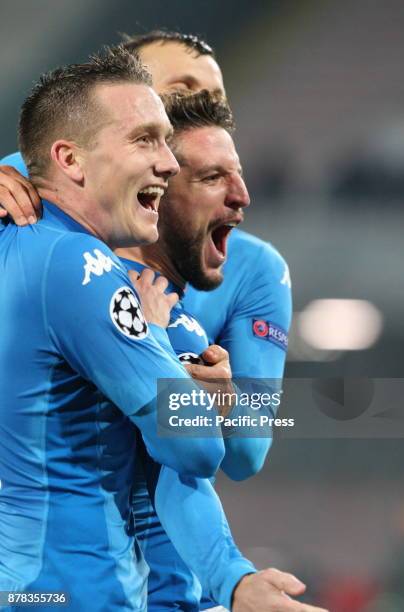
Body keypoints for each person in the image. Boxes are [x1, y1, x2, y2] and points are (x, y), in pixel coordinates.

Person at [0, 48, 327, 612]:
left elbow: (244, 449)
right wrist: (162, 345)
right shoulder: (91, 271)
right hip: (85, 592)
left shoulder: (22, 235)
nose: (167, 157)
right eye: (149, 135)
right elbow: (198, 449)